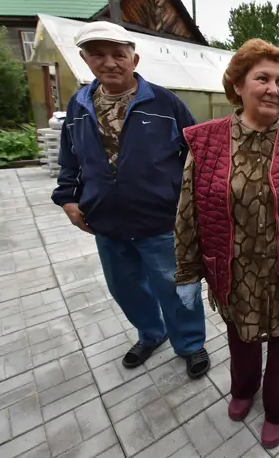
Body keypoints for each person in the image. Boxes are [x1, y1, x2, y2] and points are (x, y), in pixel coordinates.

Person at [173, 38, 279, 449]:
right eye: (262, 78)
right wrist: (188, 271)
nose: (274, 89)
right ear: (238, 86)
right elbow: (189, 210)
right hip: (233, 265)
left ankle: (278, 407)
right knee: (239, 337)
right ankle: (243, 389)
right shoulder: (205, 142)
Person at [51, 21, 210, 379]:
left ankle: (190, 343)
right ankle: (152, 334)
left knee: (176, 285)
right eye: (98, 55)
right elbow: (70, 158)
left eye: (118, 54)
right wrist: (67, 199)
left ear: (133, 59)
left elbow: (196, 153)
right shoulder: (78, 105)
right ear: (85, 60)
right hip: (105, 222)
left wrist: (193, 206)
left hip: (160, 221)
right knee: (125, 287)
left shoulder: (164, 102)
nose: (109, 62)